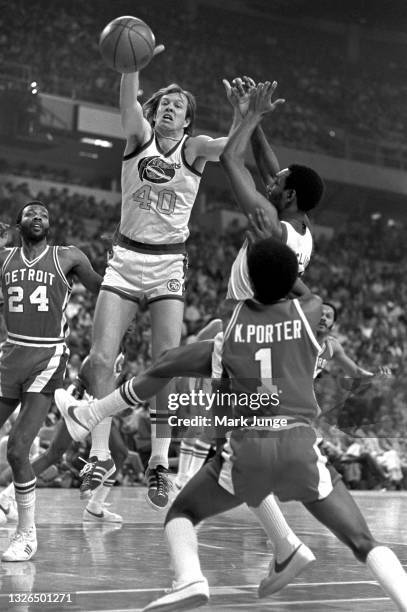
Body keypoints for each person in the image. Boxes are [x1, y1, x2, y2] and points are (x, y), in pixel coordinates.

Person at [56, 237, 407, 611]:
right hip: (298, 445)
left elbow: (167, 366)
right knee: (363, 542)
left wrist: (99, 409)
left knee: (182, 514)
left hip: (246, 450)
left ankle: (191, 577)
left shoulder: (232, 330)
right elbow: (297, 287)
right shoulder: (311, 312)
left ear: (249, 281)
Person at [79, 43, 245, 511]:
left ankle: (157, 462)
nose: (170, 108)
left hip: (168, 264)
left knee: (164, 367)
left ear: (189, 120)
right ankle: (98, 455)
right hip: (126, 258)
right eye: (165, 103)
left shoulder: (194, 149)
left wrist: (241, 116)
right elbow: (128, 101)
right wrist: (131, 66)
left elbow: (234, 147)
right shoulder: (138, 138)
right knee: (99, 358)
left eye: (180, 106)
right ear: (156, 113)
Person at [0, 201, 102, 561]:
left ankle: (27, 533)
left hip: (48, 357)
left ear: (51, 223)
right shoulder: (5, 258)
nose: (39, 216)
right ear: (19, 223)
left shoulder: (68, 256)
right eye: (31, 213)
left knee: (17, 447)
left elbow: (103, 290)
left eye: (44, 213)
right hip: (10, 354)